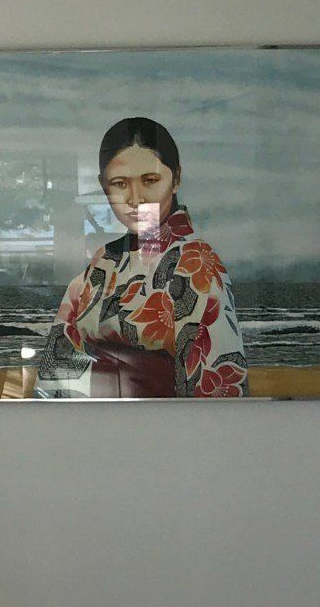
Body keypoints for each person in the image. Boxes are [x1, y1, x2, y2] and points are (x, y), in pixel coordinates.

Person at [35, 118, 246, 398]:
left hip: (163, 422)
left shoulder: (196, 266)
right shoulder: (103, 261)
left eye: (150, 180)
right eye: (120, 183)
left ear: (176, 179)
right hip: (88, 419)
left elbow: (214, 394)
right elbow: (57, 374)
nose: (136, 199)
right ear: (103, 185)